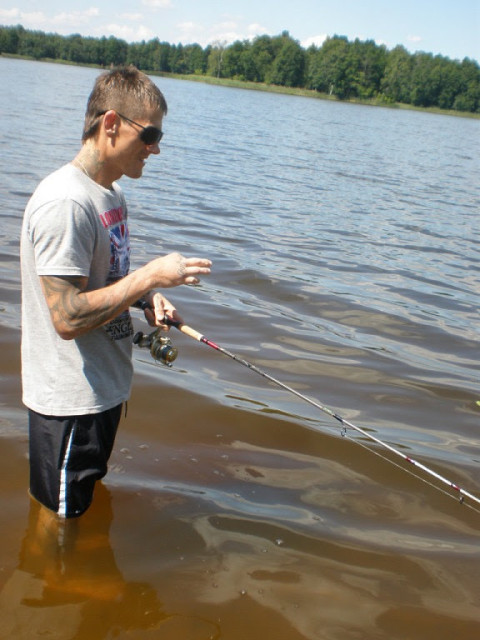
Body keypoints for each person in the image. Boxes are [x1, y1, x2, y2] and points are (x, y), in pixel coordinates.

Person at [20, 65, 211, 519]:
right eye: (148, 135)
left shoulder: (111, 194)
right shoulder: (66, 202)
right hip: (69, 404)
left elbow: (104, 282)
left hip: (102, 392)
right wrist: (146, 278)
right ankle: (56, 589)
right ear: (110, 125)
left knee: (78, 509)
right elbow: (66, 319)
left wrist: (146, 299)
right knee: (57, 520)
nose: (156, 148)